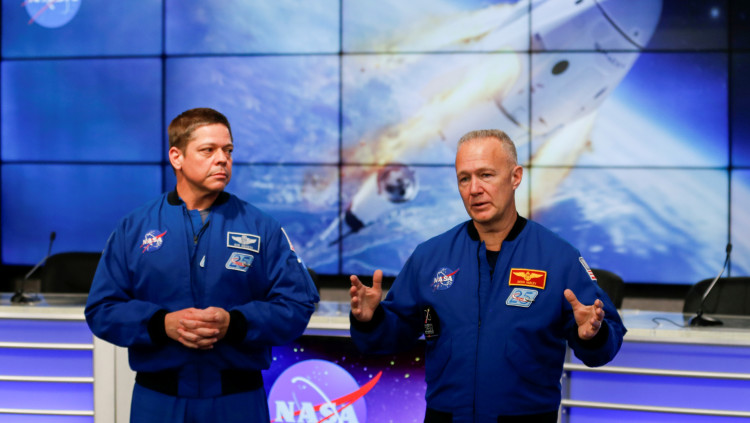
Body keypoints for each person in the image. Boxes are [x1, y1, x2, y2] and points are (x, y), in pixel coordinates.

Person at [349, 129, 626, 423]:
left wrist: (593, 334)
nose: (474, 189)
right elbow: (394, 332)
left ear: (515, 177)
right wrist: (371, 320)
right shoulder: (430, 257)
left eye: (486, 175)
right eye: (464, 179)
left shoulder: (558, 258)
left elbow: (605, 342)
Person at [85, 107, 319, 423]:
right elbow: (102, 309)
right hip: (158, 402)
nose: (222, 159)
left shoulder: (261, 227)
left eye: (228, 150)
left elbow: (297, 304)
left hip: (237, 401)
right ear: (176, 157)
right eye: (208, 150)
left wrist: (235, 323)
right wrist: (160, 324)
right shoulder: (134, 228)